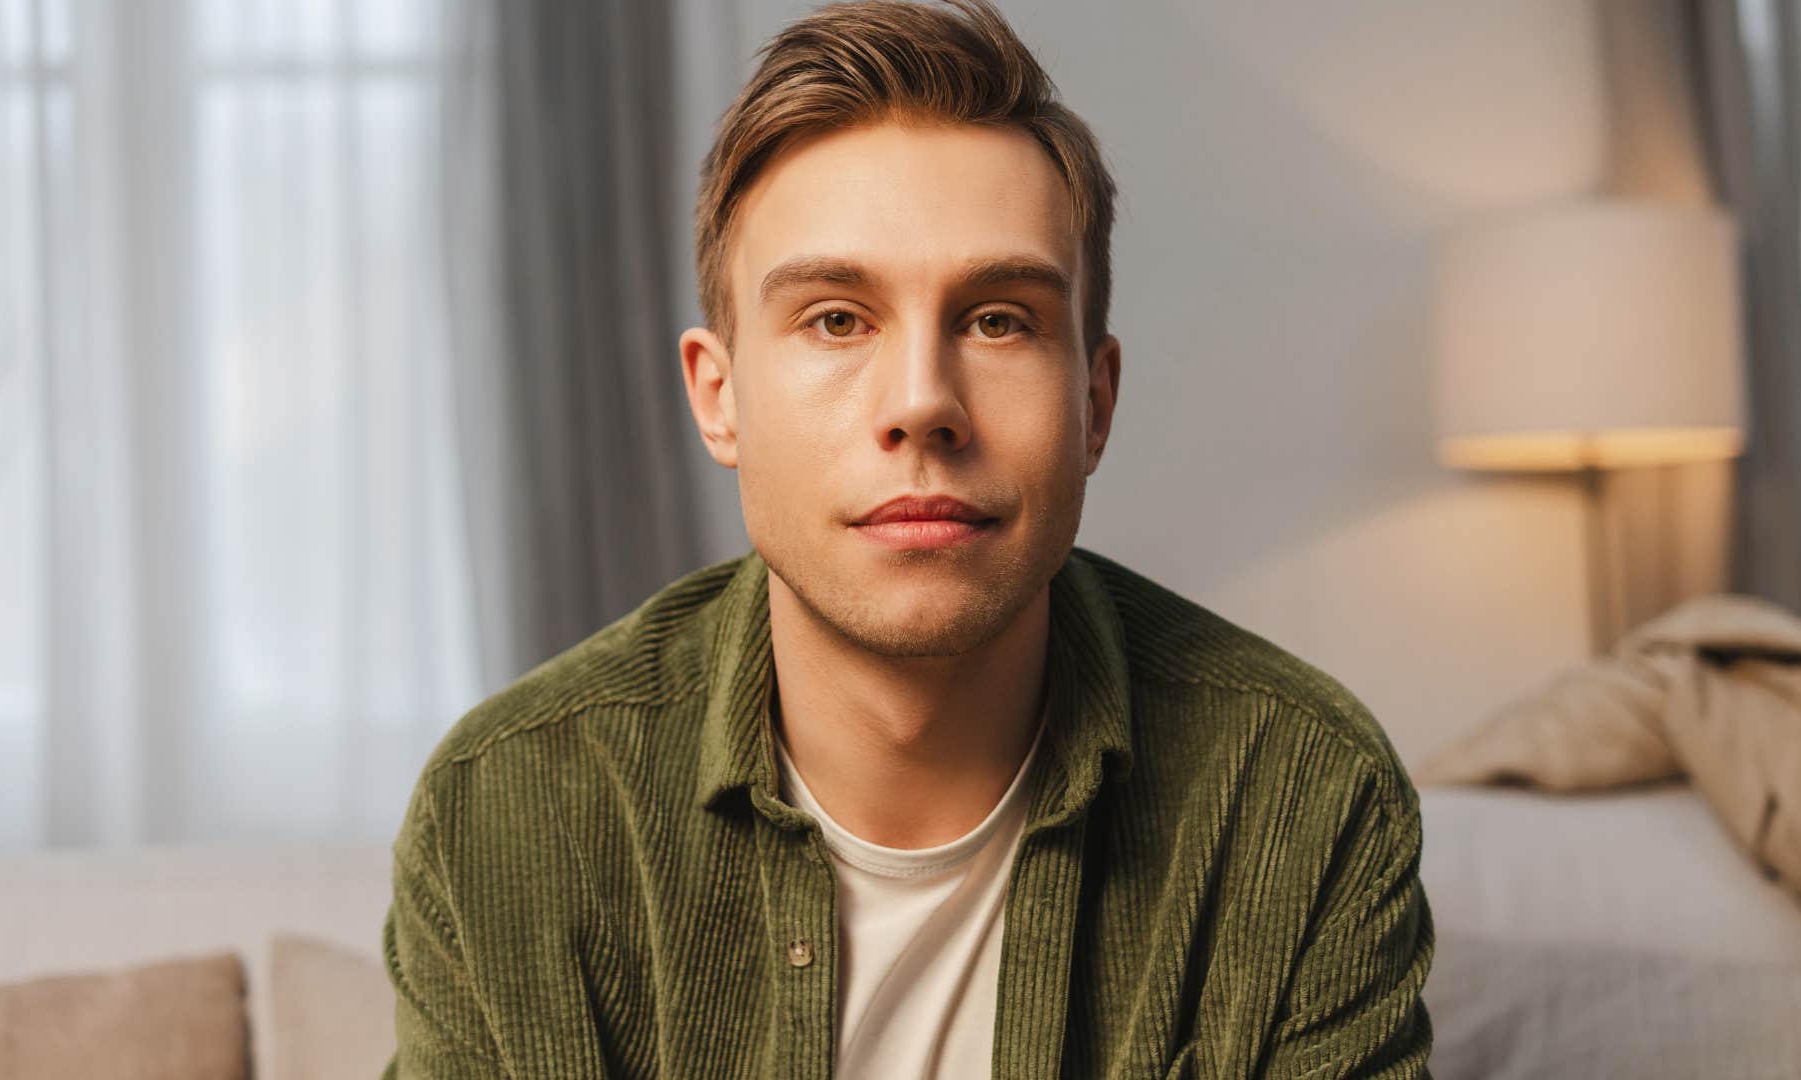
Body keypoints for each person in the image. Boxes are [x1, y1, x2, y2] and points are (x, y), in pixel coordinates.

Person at [381, 1, 1435, 1076]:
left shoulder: (1300, 789)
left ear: (1096, 403)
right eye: (837, 318)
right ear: (719, 397)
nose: (923, 402)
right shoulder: (509, 809)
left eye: (999, 319)